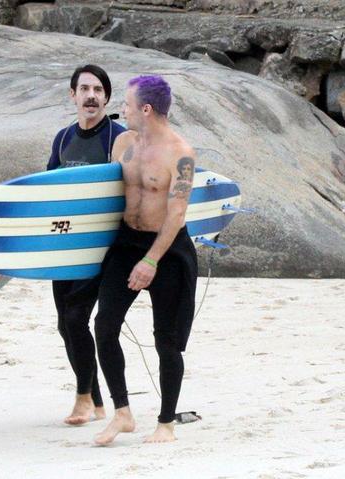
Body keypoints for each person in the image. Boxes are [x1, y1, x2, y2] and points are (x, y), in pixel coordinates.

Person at [93, 75, 198, 445]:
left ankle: (166, 423)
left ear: (146, 109)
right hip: (126, 244)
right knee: (104, 326)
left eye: (127, 103)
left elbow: (177, 215)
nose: (122, 109)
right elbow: (106, 196)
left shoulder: (180, 153)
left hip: (167, 251)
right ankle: (122, 413)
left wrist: (151, 261)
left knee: (166, 341)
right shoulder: (123, 142)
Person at [46, 65, 126, 425]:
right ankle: (95, 402)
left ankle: (82, 398)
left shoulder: (118, 138)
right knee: (66, 324)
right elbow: (47, 190)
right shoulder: (63, 138)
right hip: (64, 245)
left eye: (98, 90)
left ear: (107, 97)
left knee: (78, 317)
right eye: (84, 89)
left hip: (101, 247)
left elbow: (132, 189)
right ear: (73, 95)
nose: (91, 95)